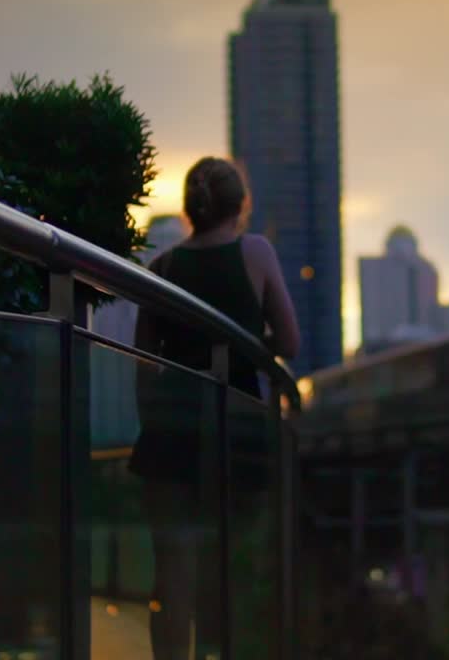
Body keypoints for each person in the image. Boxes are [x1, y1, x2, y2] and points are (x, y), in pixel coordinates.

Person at [130, 156, 300, 660]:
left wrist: (159, 427)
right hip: (240, 431)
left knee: (173, 574)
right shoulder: (257, 252)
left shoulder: (163, 268)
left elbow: (144, 367)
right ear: (240, 206)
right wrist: (248, 342)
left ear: (190, 209)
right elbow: (289, 341)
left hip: (172, 434)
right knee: (237, 569)